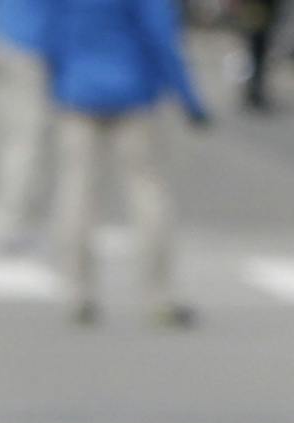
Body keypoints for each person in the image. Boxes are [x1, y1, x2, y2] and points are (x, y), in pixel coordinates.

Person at [46, 0, 208, 327]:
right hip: (134, 91)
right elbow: (161, 35)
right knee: (147, 190)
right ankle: (159, 294)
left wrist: (60, 79)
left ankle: (77, 292)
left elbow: (51, 29)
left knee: (76, 191)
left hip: (77, 89)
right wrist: (188, 97)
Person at [0, 0, 54, 247]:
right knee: (26, 141)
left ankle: (12, 216)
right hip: (29, 46)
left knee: (7, 138)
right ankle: (14, 223)